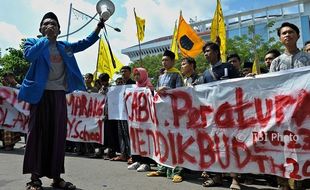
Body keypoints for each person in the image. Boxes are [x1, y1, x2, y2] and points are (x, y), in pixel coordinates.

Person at [18, 12, 105, 190]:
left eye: (54, 25)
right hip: (39, 96)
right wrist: (45, 39)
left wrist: (98, 26)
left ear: (59, 30)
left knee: (57, 135)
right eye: (46, 24)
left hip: (58, 95)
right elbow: (29, 56)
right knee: (37, 134)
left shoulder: (64, 47)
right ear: (40, 29)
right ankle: (34, 178)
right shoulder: (32, 42)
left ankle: (56, 177)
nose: (50, 26)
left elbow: (84, 43)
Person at [270, 22, 310, 190]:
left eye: (291, 32)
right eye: (284, 33)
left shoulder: (308, 59)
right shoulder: (276, 62)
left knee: (302, 149)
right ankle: (283, 184)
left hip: (305, 114)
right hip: (283, 114)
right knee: (282, 149)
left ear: (298, 35)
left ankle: (300, 183)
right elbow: (270, 86)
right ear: (280, 38)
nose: (287, 35)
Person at [197, 42, 240, 190]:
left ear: (216, 52)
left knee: (231, 145)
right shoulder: (205, 74)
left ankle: (235, 179)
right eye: (204, 52)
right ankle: (216, 177)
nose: (206, 54)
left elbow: (241, 85)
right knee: (214, 145)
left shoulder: (229, 68)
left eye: (208, 51)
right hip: (212, 115)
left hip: (230, 113)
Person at [147, 50, 185, 183]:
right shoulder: (161, 76)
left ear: (173, 61)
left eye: (167, 60)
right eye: (163, 60)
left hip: (174, 114)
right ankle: (162, 168)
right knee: (162, 141)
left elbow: (181, 93)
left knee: (176, 142)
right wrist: (158, 90)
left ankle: (177, 171)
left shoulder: (177, 75)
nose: (164, 62)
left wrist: (168, 91)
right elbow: (157, 93)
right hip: (162, 114)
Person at [127, 67, 155, 172]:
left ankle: (146, 162)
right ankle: (137, 160)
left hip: (146, 120)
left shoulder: (149, 87)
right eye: (135, 75)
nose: (137, 77)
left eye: (139, 74)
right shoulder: (134, 87)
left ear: (143, 75)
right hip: (135, 118)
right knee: (136, 139)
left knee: (146, 140)